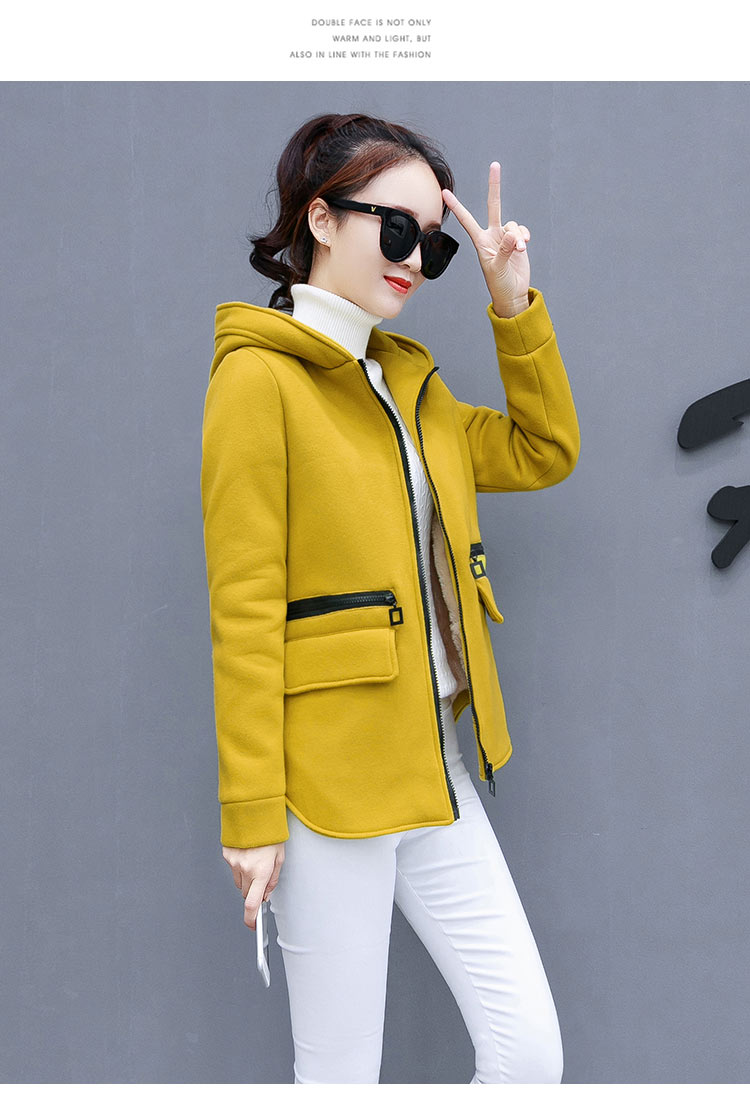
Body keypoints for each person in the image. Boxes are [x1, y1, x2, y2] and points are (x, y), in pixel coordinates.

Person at [200, 111, 580, 1084]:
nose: (414, 259)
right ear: (322, 219)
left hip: (436, 768)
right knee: (340, 1080)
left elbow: (544, 450)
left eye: (433, 244)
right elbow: (245, 608)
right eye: (397, 229)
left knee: (528, 1055)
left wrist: (511, 304)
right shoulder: (257, 380)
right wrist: (252, 814)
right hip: (328, 790)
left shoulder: (410, 383)